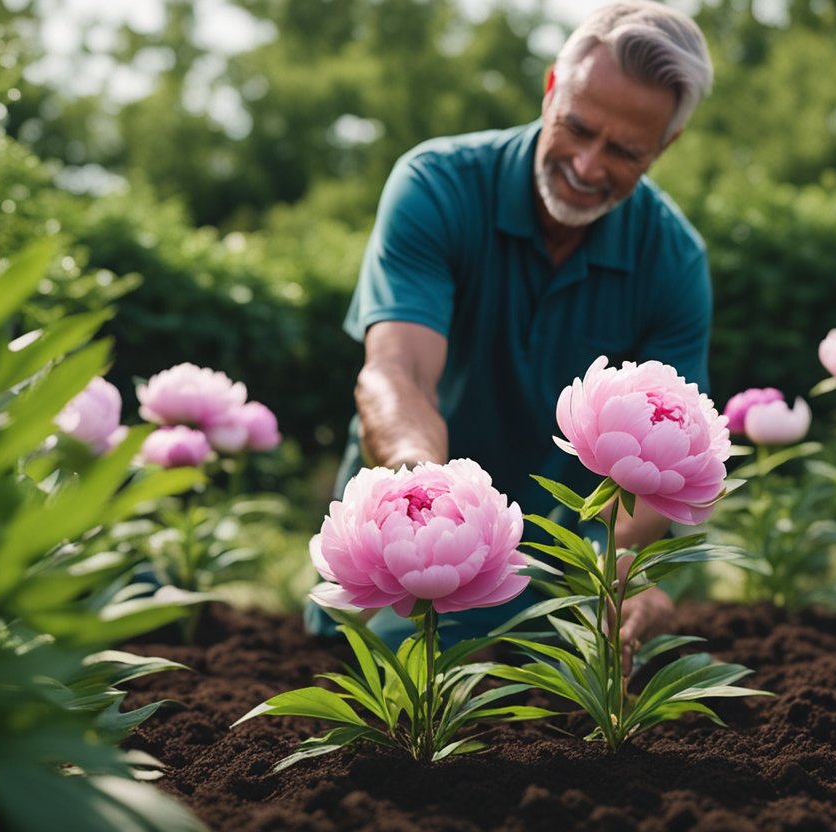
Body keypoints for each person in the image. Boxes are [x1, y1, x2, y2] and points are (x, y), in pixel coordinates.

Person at [306, 0, 715, 660]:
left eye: (625, 150)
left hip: (566, 577)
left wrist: (620, 566)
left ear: (665, 145)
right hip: (420, 562)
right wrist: (433, 506)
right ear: (552, 89)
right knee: (401, 678)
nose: (586, 165)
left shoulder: (672, 260)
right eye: (577, 129)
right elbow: (397, 374)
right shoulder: (437, 188)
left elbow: (668, 467)